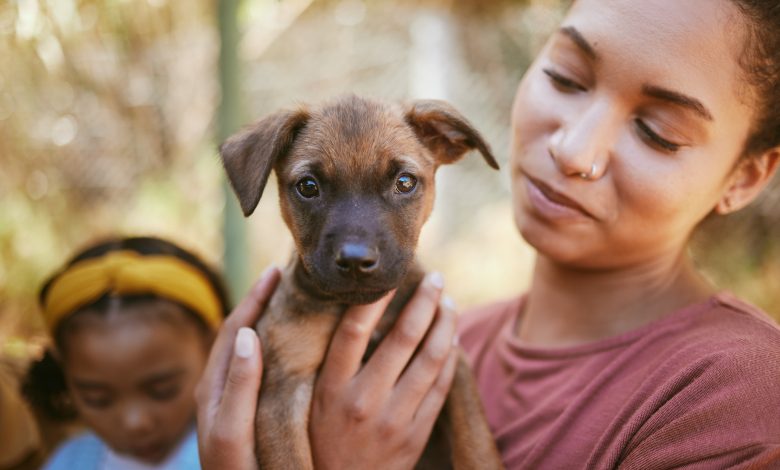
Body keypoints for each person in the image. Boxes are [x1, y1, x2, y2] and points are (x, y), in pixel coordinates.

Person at [195, 0, 780, 468]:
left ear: (747, 175)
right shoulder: (458, 333)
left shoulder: (738, 398)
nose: (573, 150)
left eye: (658, 131)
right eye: (566, 77)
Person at [24, 236, 230, 470]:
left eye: (162, 391)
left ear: (215, 347)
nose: (136, 423)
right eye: (97, 400)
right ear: (64, 368)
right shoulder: (68, 462)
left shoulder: (243, 455)